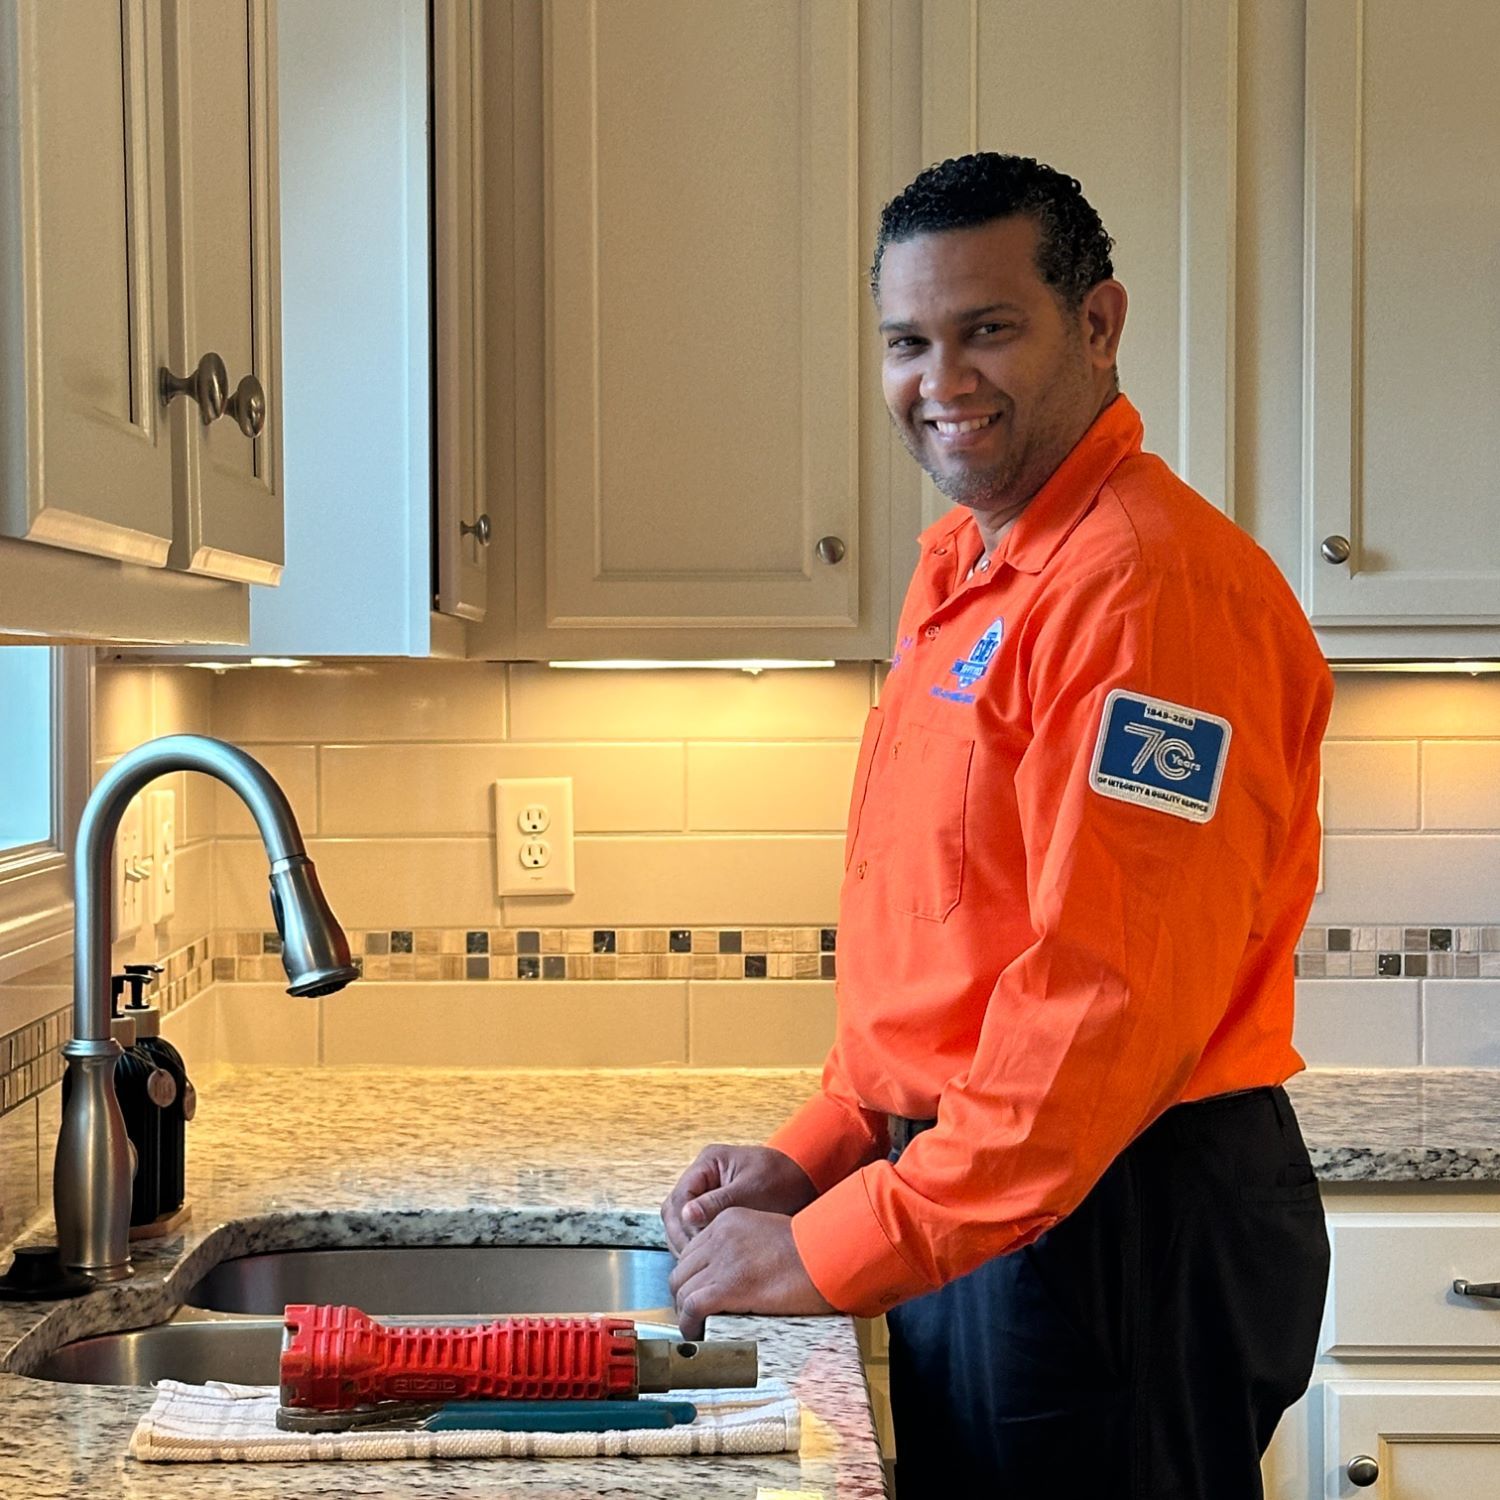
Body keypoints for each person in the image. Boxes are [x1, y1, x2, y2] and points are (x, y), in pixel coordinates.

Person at [662, 152, 1332, 1499]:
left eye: (990, 330)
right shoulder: (970, 567)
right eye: (909, 342)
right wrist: (825, 1150)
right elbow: (957, 945)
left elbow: (1105, 1000)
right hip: (1000, 1198)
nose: (942, 382)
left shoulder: (1148, 595)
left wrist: (838, 1246)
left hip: (1117, 1222)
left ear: (1098, 324)